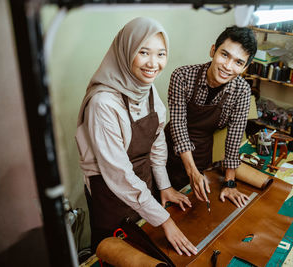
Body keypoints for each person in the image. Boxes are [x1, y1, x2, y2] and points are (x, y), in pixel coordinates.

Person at [75, 17, 197, 256]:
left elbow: (157, 141)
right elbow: (118, 173)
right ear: (126, 51)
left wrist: (164, 186)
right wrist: (164, 220)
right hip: (110, 194)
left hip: (142, 186)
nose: (154, 63)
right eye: (144, 52)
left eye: (161, 54)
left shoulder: (147, 88)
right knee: (117, 255)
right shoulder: (103, 103)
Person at [165, 26, 257, 208]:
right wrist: (191, 171)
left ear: (245, 67)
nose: (228, 67)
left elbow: (234, 137)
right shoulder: (182, 76)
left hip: (201, 155)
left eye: (238, 63)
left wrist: (230, 183)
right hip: (167, 154)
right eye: (224, 55)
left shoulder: (242, 91)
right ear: (213, 50)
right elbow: (178, 124)